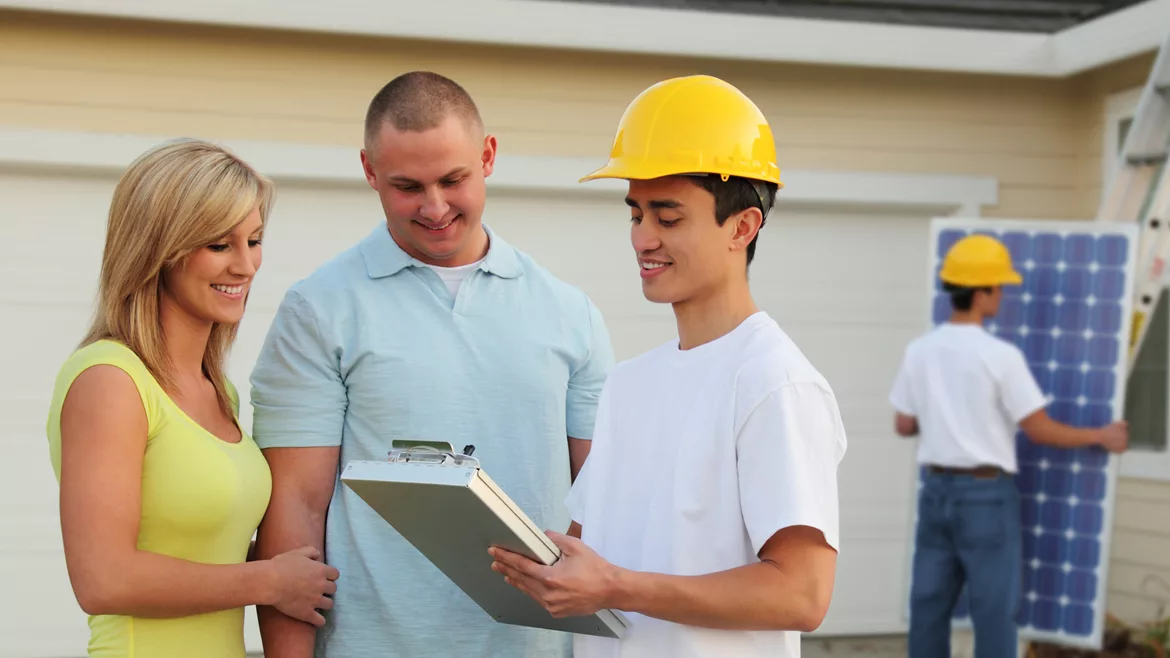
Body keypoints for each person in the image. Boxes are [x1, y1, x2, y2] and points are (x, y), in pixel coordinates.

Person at [248, 70, 614, 658]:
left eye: (453, 179)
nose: (436, 206)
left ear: (488, 155)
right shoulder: (318, 310)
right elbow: (295, 511)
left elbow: (604, 504)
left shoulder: (572, 314)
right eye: (407, 186)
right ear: (369, 171)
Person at [489, 74, 847, 658]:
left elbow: (802, 593)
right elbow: (590, 559)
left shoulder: (774, 382)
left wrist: (617, 586)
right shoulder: (628, 383)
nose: (642, 238)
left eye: (668, 217)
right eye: (635, 214)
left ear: (742, 226)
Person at [44, 139, 340, 658]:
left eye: (254, 240)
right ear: (160, 249)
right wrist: (268, 581)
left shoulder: (218, 389)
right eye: (220, 246)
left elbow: (201, 553)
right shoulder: (111, 380)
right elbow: (103, 579)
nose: (246, 266)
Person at [888, 234, 1130, 658]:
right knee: (994, 611)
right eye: (998, 287)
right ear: (980, 293)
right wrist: (1101, 436)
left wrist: (946, 414)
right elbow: (1039, 430)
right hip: (985, 497)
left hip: (936, 492)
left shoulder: (919, 351)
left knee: (927, 605)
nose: (1001, 296)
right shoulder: (999, 356)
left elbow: (904, 424)